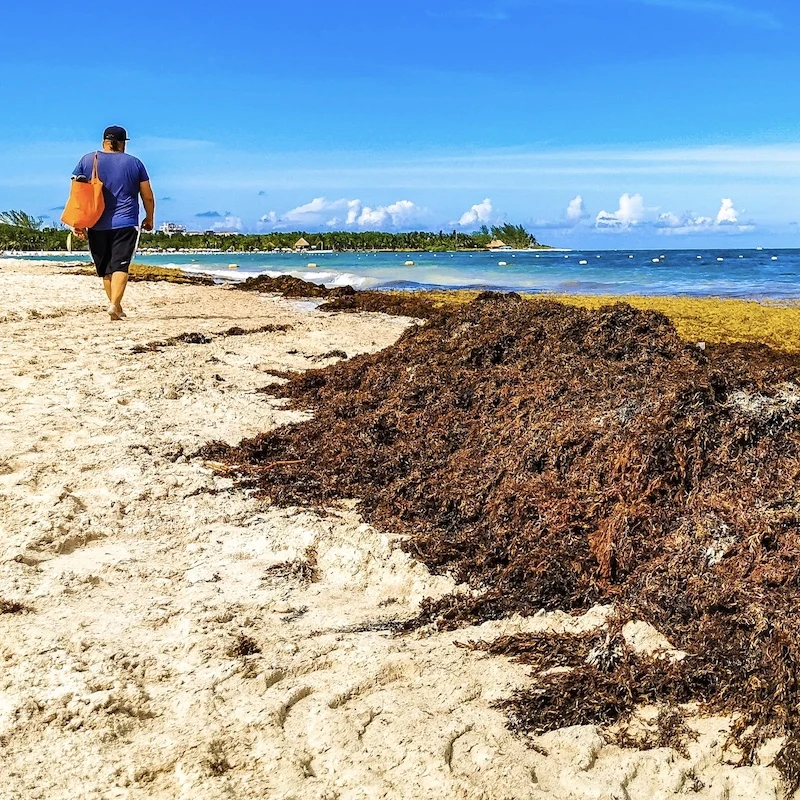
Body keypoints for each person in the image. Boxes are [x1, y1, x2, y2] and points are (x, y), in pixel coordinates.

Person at [72, 126, 155, 321]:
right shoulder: (135, 163)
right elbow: (147, 195)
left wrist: (78, 221)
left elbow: (77, 194)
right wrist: (149, 217)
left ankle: (115, 307)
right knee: (120, 266)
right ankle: (114, 305)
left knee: (106, 268)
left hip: (95, 222)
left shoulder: (87, 160)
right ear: (123, 143)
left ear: (104, 142)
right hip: (125, 223)